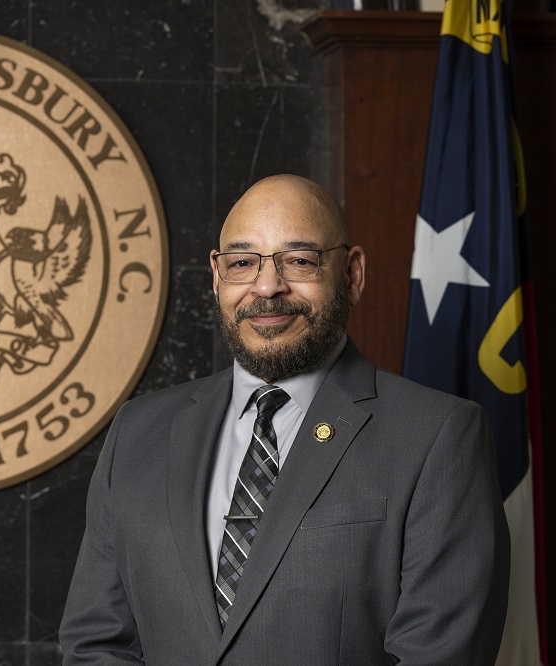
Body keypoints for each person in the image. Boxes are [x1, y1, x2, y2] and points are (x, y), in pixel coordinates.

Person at [59, 175, 510, 665]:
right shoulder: (138, 432)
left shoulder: (437, 436)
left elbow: (439, 657)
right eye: (241, 262)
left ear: (353, 273)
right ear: (217, 277)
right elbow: (96, 645)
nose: (267, 286)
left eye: (299, 259)